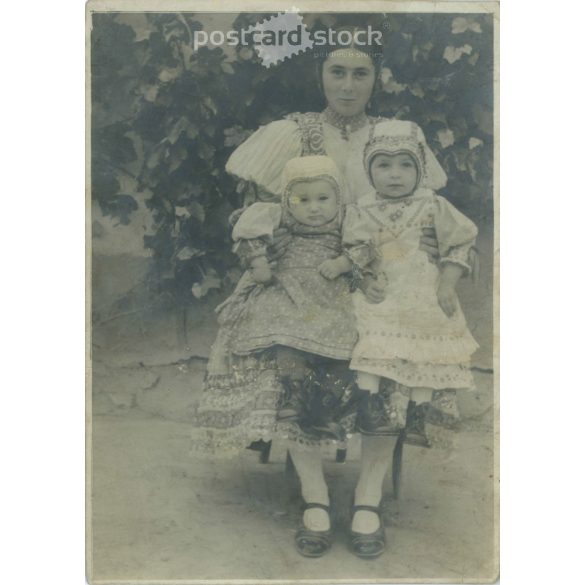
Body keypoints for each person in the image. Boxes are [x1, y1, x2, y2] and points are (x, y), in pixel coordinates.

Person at [192, 27, 470, 559]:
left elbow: (431, 222)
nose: (347, 86)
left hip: (377, 280)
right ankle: (314, 496)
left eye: (360, 73)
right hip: (301, 276)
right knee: (289, 356)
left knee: (391, 357)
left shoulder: (394, 136)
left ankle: (367, 497)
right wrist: (262, 260)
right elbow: (255, 216)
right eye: (336, 72)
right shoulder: (292, 133)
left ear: (376, 78)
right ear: (318, 75)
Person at [343, 119, 479, 446]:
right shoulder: (361, 208)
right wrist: (364, 279)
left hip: (421, 289)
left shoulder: (432, 204)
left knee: (426, 345)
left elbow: (460, 241)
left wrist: (447, 282)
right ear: (369, 170)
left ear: (420, 171)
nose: (395, 174)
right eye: (384, 165)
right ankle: (370, 404)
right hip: (382, 287)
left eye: (406, 165)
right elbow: (352, 249)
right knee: (371, 337)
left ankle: (417, 414)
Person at [214, 155, 357, 439]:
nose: (314, 208)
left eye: (323, 198)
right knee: (284, 332)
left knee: (348, 345)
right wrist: (259, 263)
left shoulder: (348, 217)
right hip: (287, 286)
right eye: (302, 200)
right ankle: (295, 393)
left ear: (337, 197)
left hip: (331, 293)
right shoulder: (276, 214)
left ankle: (325, 404)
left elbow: (364, 248)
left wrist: (344, 263)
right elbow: (249, 234)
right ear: (287, 199)